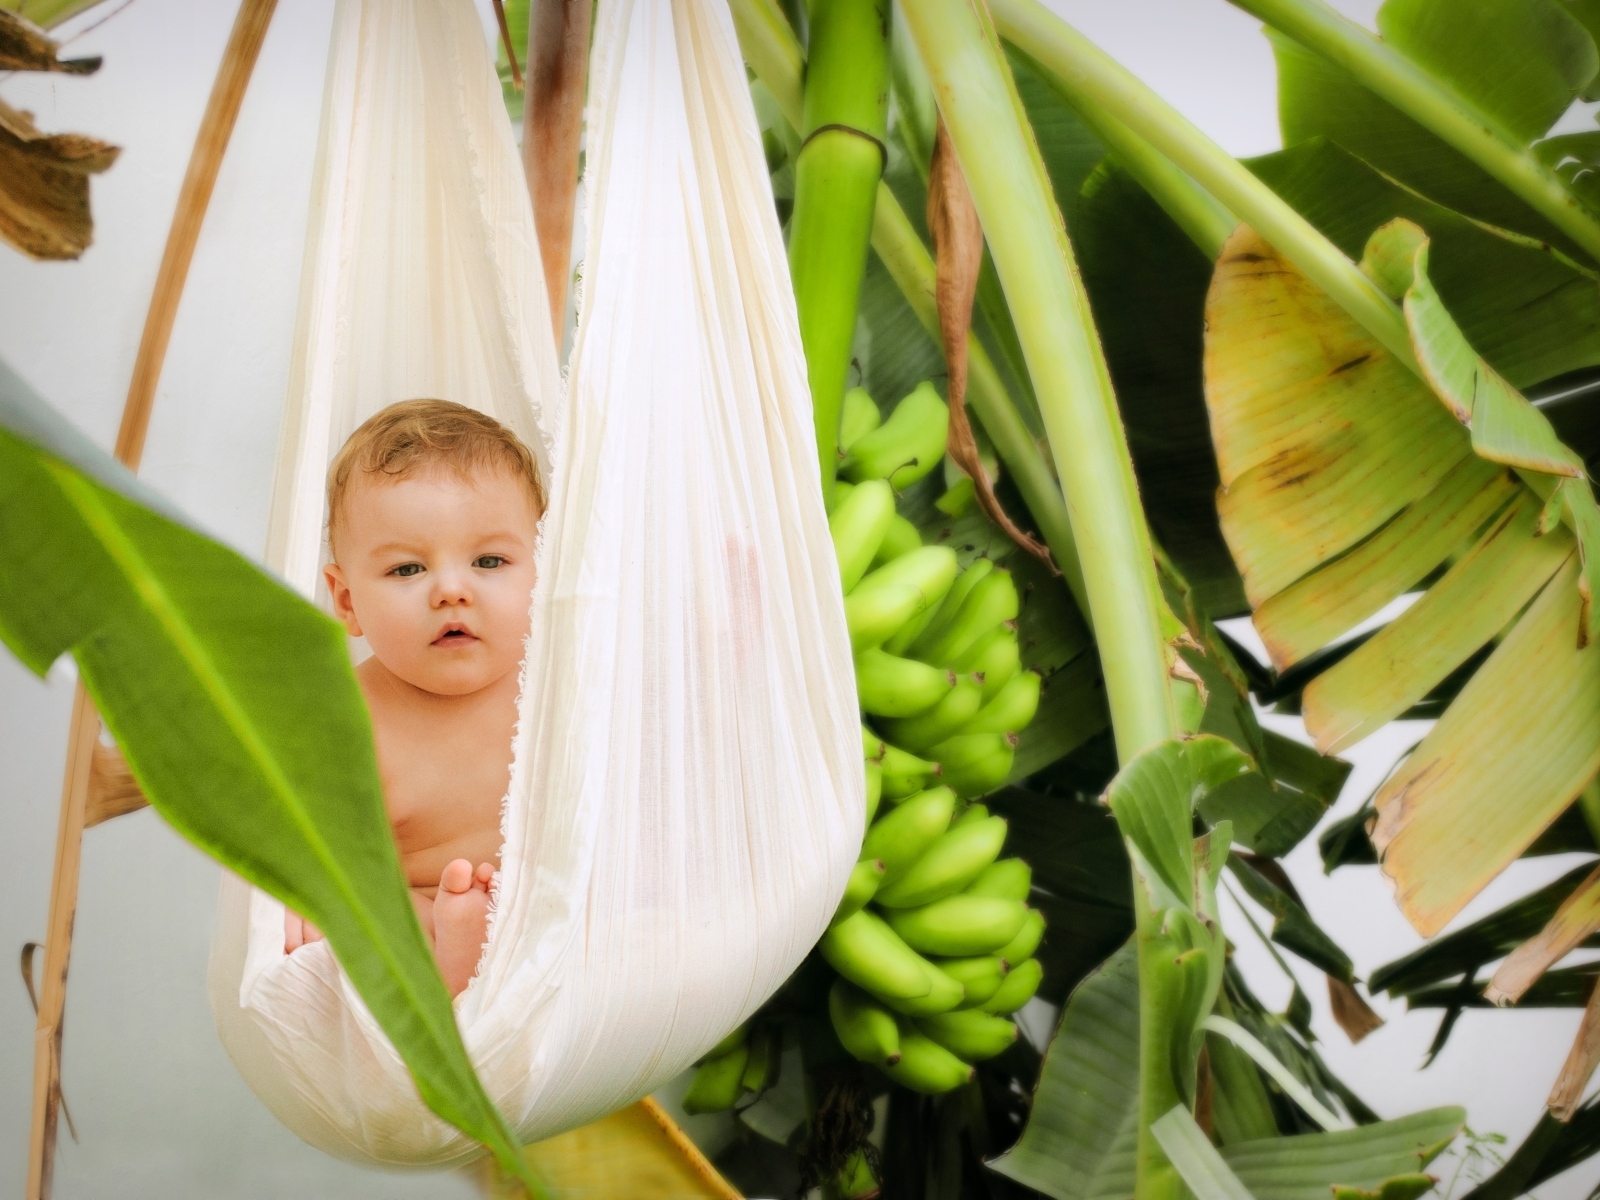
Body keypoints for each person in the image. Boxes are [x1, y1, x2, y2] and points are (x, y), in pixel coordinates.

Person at [283, 399, 545, 998]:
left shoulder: (561, 677)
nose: (452, 589)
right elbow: (292, 835)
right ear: (346, 602)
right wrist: (291, 895)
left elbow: (666, 707)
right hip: (427, 905)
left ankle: (480, 948)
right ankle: (456, 957)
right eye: (407, 570)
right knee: (370, 918)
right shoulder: (343, 720)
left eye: (488, 561)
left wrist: (733, 637)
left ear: (544, 573)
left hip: (555, 903)